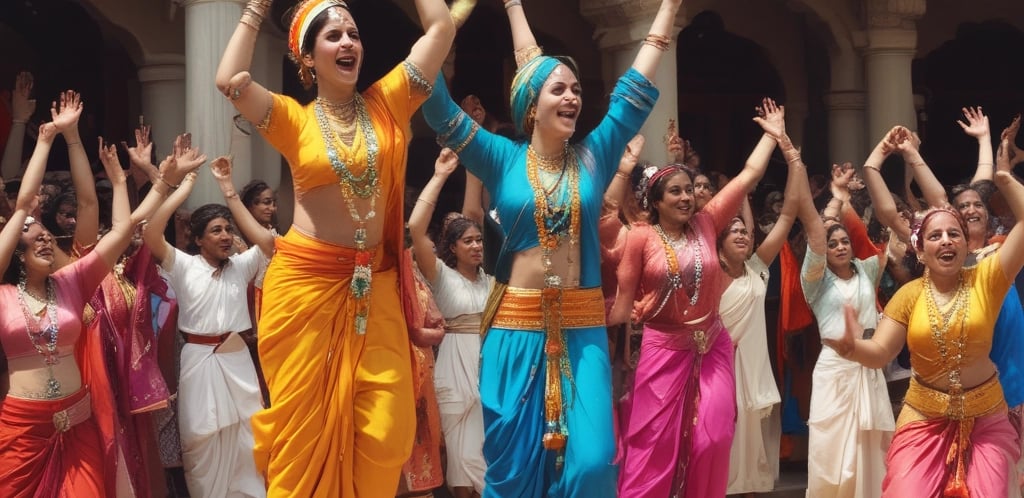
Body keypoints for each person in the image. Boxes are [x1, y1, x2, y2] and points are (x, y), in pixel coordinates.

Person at [421, 0, 679, 494]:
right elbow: (435, 103)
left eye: (577, 90)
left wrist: (667, 9)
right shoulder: (498, 155)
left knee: (593, 462)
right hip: (514, 327)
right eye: (558, 89)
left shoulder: (593, 156)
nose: (572, 98)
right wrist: (444, 25)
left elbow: (634, 93)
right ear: (530, 105)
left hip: (581, 327)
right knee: (513, 469)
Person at [215, 0, 455, 495]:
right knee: (305, 436)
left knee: (389, 431)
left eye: (353, 34)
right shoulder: (291, 119)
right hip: (306, 290)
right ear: (307, 58)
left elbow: (440, 27)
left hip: (377, 283)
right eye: (333, 36)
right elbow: (231, 78)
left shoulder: (389, 100)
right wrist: (258, 7)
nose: (348, 42)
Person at [0, 105, 199, 496]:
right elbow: (23, 205)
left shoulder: (72, 282)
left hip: (79, 421)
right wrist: (44, 141)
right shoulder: (3, 294)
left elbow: (124, 231)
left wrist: (163, 184)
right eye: (30, 236)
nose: (42, 238)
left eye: (44, 234)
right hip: (23, 429)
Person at [830, 147, 1024, 495]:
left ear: (966, 244)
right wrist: (852, 347)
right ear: (920, 251)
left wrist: (1005, 179)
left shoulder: (988, 278)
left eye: (954, 234)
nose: (946, 240)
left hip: (986, 418)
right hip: (923, 417)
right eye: (935, 236)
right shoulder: (909, 295)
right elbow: (879, 352)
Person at [610, 98, 778, 497]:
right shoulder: (639, 237)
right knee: (655, 448)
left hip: (713, 343)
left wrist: (772, 135)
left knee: (714, 437)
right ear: (655, 200)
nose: (686, 197)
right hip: (662, 347)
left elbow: (748, 176)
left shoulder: (707, 223)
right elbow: (622, 305)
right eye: (676, 192)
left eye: (689, 189)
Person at [142, 150, 272, 498]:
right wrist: (182, 188)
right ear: (198, 239)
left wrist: (228, 190)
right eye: (216, 230)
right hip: (199, 360)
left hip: (238, 359)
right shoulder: (183, 265)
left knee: (249, 438)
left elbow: (268, 242)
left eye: (228, 229)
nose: (226, 236)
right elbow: (153, 233)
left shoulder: (243, 265)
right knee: (200, 441)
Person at [718, 103, 806, 495]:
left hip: (753, 375)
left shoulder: (757, 268)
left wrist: (788, 150)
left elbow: (788, 214)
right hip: (717, 375)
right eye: (732, 230)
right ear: (716, 240)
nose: (741, 235)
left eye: (744, 231)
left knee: (754, 471)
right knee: (720, 459)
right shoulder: (708, 274)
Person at [799, 155, 894, 496]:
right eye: (832, 243)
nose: (839, 246)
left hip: (868, 363)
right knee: (832, 448)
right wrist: (834, 201)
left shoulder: (867, 270)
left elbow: (884, 233)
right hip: (835, 368)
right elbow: (817, 239)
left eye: (844, 242)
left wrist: (846, 197)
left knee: (872, 445)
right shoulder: (815, 280)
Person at [408, 148, 490, 498]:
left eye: (479, 240)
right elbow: (415, 227)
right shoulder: (440, 275)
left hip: (487, 369)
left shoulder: (490, 280)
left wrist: (475, 161)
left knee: (485, 454)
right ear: (452, 248)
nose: (476, 246)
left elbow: (476, 211)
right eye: (467, 241)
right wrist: (440, 175)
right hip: (453, 370)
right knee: (459, 457)